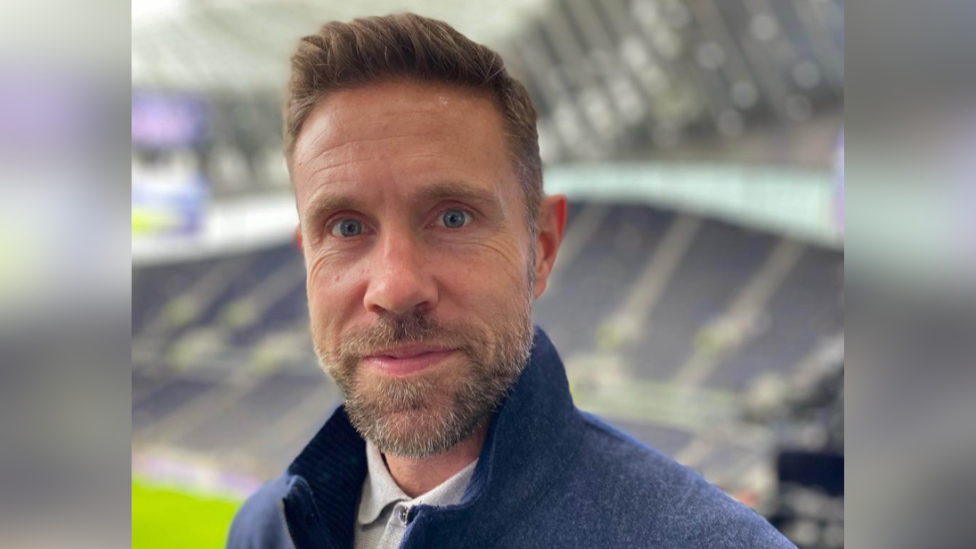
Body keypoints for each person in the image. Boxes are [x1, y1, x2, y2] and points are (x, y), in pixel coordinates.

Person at [227, 13, 795, 549]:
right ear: (307, 259)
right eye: (346, 227)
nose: (395, 287)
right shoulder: (263, 529)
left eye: (452, 217)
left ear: (542, 247)